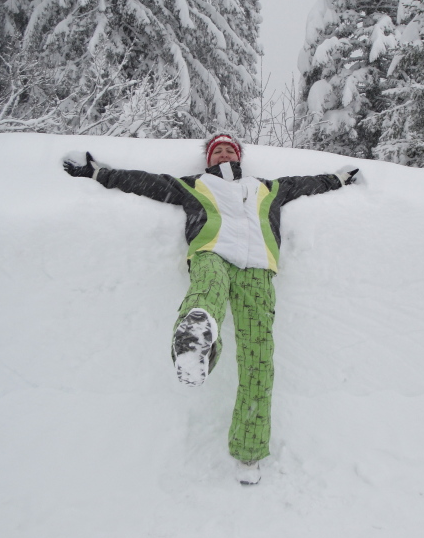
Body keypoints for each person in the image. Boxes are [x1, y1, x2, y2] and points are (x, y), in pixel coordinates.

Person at [63, 133, 359, 485]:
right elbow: (146, 182)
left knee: (258, 359)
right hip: (211, 252)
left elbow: (308, 184)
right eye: (217, 149)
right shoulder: (196, 185)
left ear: (239, 155)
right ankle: (196, 340)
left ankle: (249, 451)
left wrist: (338, 179)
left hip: (258, 269)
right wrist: (99, 173)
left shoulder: (268, 188)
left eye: (229, 148)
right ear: (208, 158)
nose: (223, 152)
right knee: (208, 288)